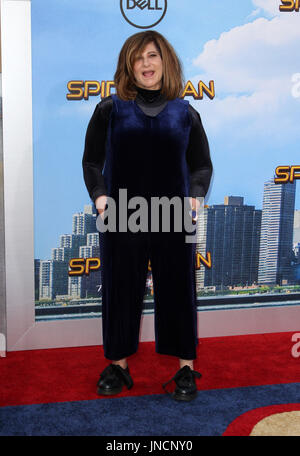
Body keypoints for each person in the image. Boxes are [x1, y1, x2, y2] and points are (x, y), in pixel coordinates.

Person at [82, 30, 213, 402]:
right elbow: (92, 161)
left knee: (179, 291)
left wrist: (196, 198)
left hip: (173, 214)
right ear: (129, 65)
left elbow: (201, 165)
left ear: (164, 61)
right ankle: (118, 366)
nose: (145, 64)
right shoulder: (108, 109)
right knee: (121, 290)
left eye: (152, 56)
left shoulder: (185, 112)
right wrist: (101, 196)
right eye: (137, 58)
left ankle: (186, 367)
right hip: (122, 213)